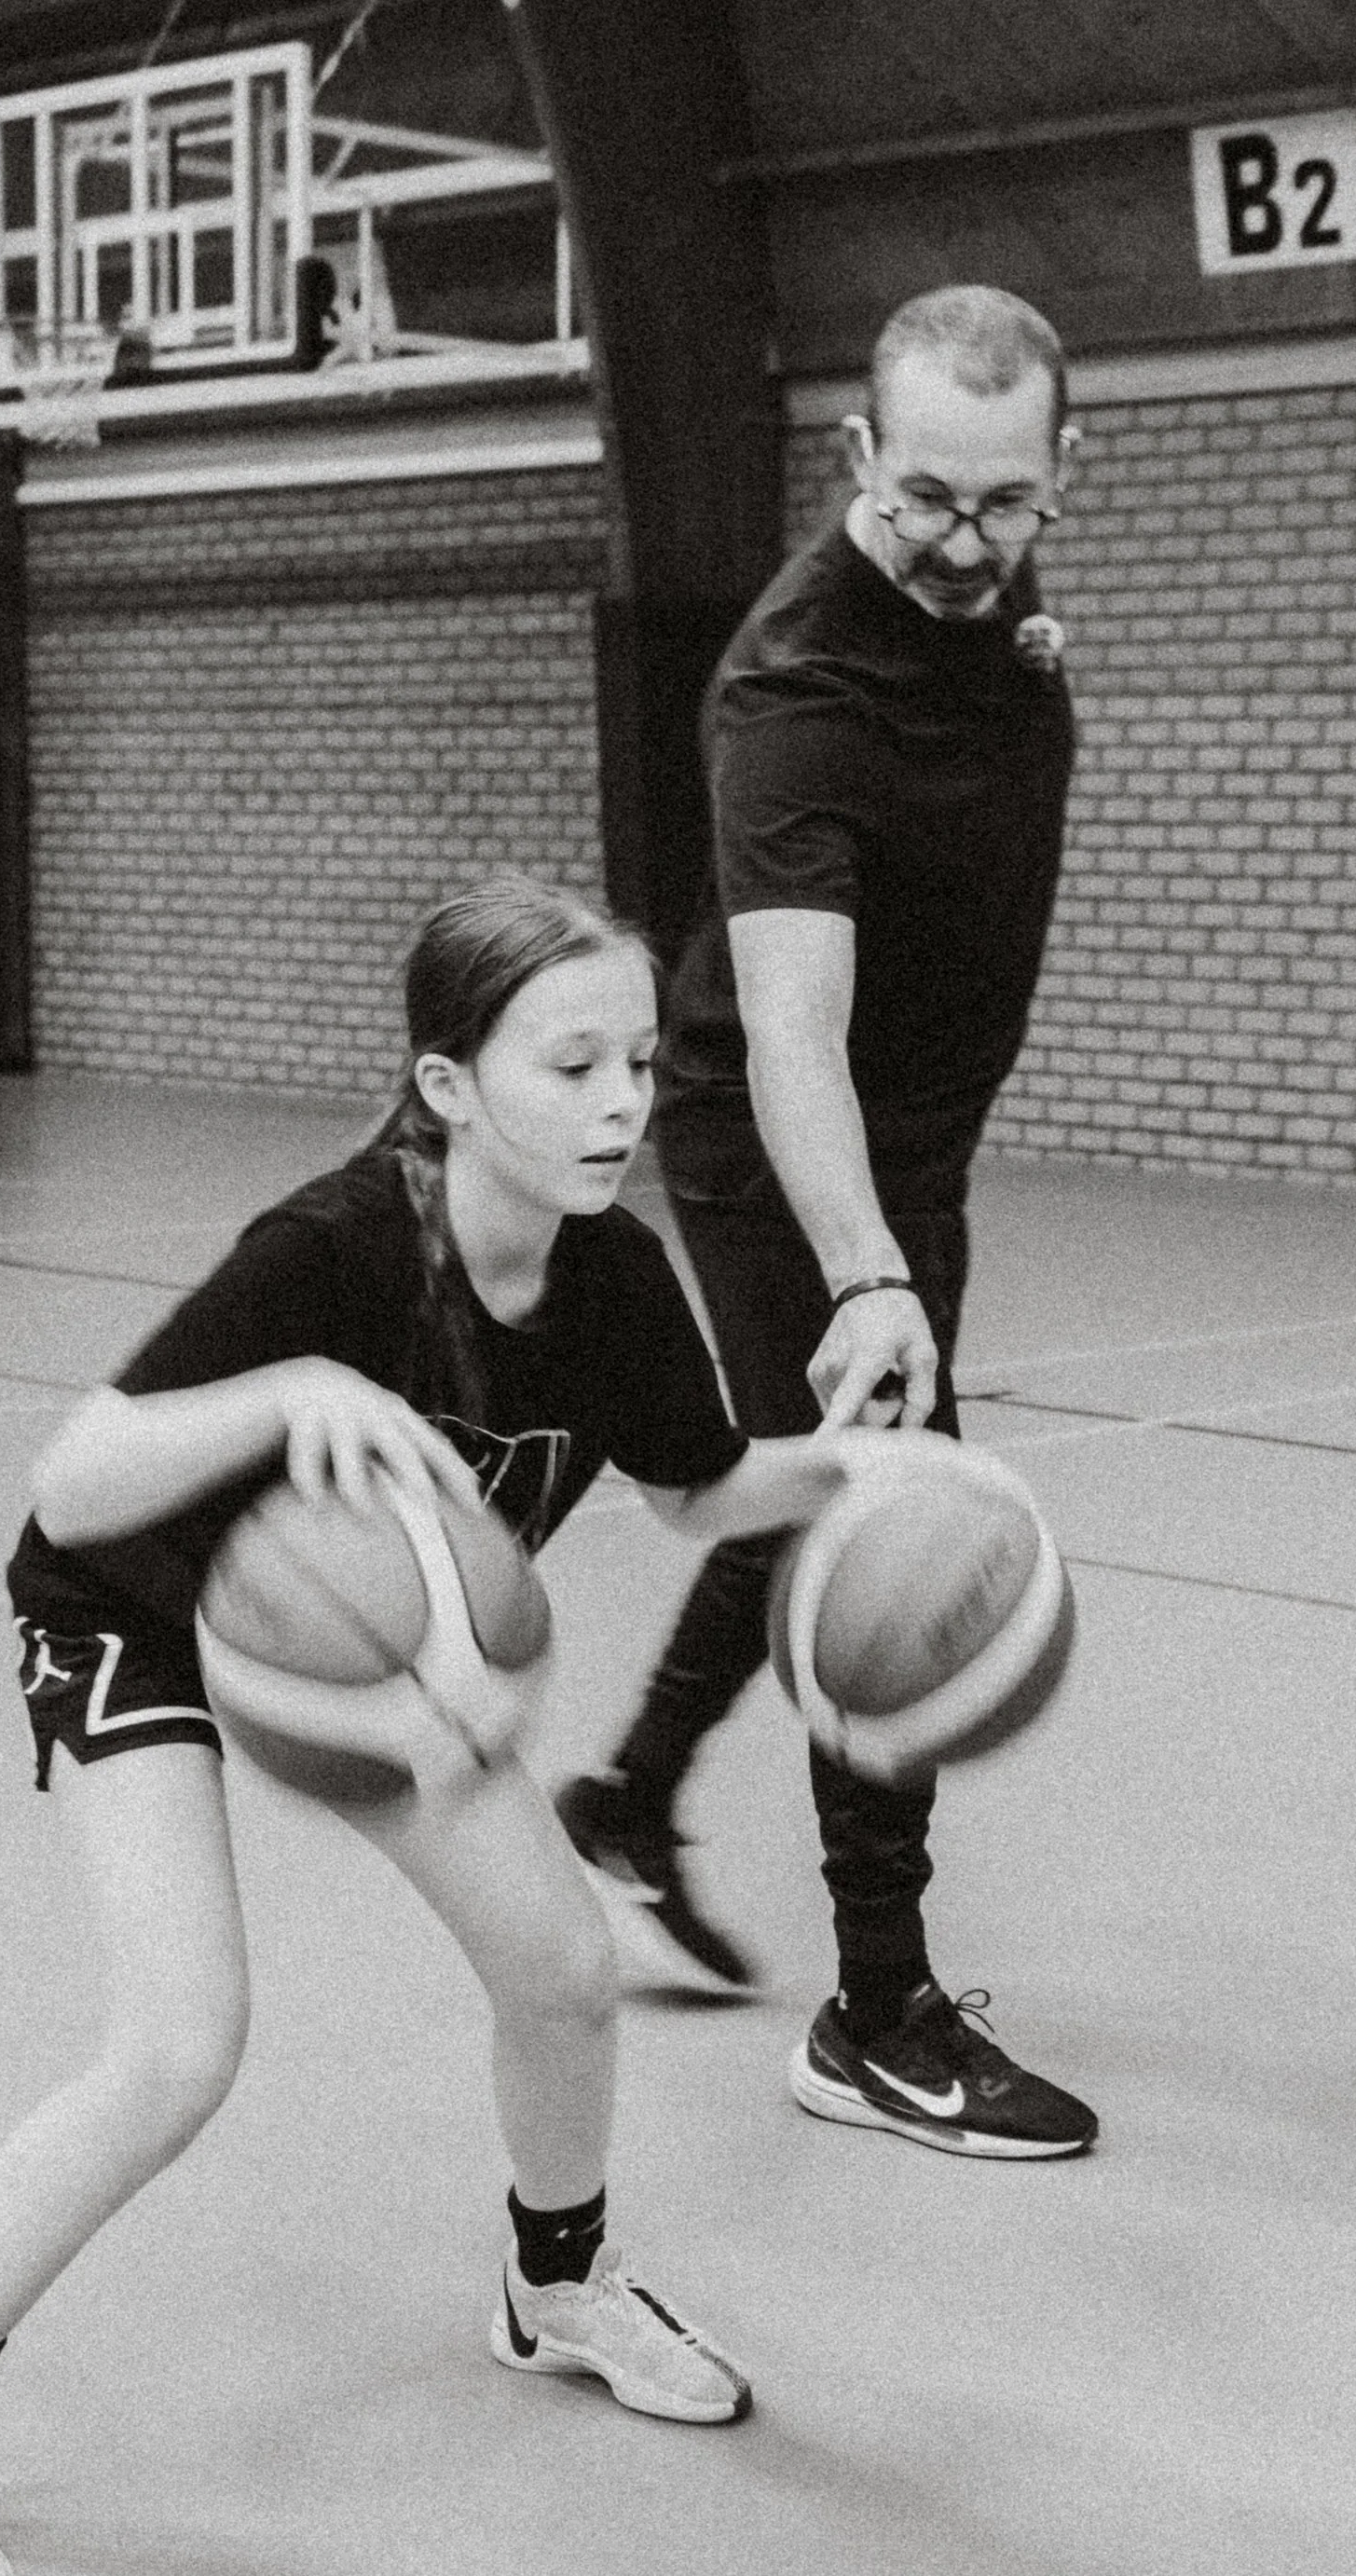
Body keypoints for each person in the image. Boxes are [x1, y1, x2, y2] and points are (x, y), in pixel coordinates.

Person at [0, 874, 911, 2576]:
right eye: (574, 1064)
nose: (626, 1099)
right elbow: (75, 1478)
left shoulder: (614, 1277)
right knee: (180, 2045)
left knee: (560, 1968)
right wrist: (287, 1397)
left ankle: (557, 2291)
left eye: (638, 1059)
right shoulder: (329, 1248)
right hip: (139, 1607)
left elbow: (703, 1488)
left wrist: (892, 1475)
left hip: (377, 1663)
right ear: (453, 1082)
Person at [557, 284, 1101, 2163]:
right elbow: (789, 1023)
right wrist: (864, 1270)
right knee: (890, 1516)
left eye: (1004, 503)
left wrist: (1012, 635)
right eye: (924, 499)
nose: (959, 543)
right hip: (782, 1144)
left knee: (801, 1489)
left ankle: (625, 1795)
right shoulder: (788, 687)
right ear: (856, 456)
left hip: (919, 1144)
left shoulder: (992, 626)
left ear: (1059, 472)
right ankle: (875, 2009)